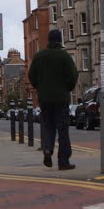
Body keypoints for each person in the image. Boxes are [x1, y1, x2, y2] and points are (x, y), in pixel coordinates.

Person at [27, 28, 79, 170]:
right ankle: (63, 161)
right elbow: (73, 76)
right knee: (62, 130)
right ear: (60, 41)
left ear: (49, 40)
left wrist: (40, 87)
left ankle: (47, 149)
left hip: (44, 99)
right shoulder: (64, 56)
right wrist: (67, 88)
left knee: (48, 126)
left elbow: (31, 75)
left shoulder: (39, 56)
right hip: (61, 99)